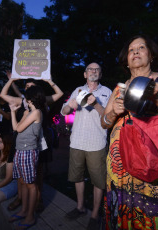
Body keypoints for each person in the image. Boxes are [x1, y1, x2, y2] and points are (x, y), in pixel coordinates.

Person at [101, 35, 158, 229]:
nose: (135, 51)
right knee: (124, 215)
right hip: (122, 164)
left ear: (151, 55)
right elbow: (104, 123)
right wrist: (113, 113)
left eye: (141, 47)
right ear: (126, 60)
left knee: (157, 215)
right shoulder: (119, 88)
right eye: (131, 49)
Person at [0, 73, 63, 212]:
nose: (29, 88)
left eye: (32, 86)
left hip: (38, 140)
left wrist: (49, 81)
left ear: (37, 90)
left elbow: (59, 94)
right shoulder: (21, 101)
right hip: (22, 140)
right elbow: (3, 95)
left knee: (37, 173)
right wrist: (11, 80)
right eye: (27, 86)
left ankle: (38, 200)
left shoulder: (42, 101)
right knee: (21, 175)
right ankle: (20, 198)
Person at [61, 62, 112, 229]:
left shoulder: (107, 92)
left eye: (97, 69)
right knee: (77, 177)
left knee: (98, 181)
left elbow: (109, 118)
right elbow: (64, 111)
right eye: (90, 69)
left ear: (100, 74)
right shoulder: (77, 90)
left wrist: (96, 103)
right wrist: (70, 105)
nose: (93, 71)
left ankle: (95, 214)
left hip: (97, 143)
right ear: (85, 74)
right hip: (77, 141)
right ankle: (80, 207)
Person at [7, 85, 46, 229]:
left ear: (29, 99)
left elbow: (18, 128)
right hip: (19, 150)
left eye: (25, 97)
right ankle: (23, 211)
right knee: (22, 182)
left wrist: (17, 113)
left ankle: (30, 217)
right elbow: (15, 128)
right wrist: (13, 112)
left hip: (28, 152)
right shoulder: (28, 112)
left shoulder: (36, 112)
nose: (23, 100)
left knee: (31, 185)